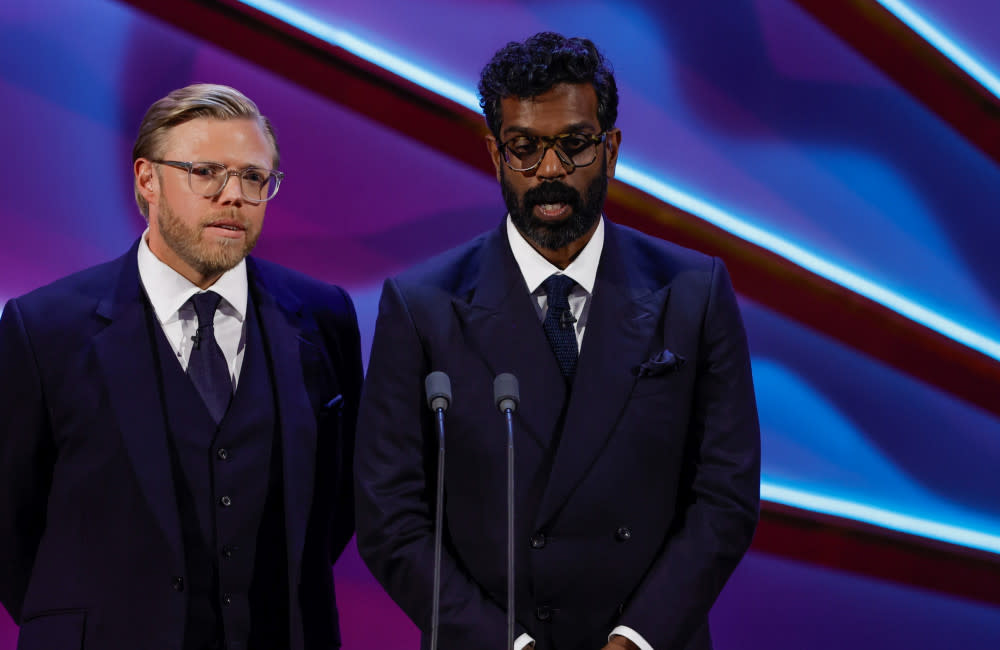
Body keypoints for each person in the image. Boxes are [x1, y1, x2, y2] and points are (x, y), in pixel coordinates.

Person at [355, 33, 760, 650]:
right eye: (524, 149)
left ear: (611, 149)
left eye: (573, 146)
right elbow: (390, 519)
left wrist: (636, 637)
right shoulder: (421, 306)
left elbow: (725, 496)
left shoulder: (694, 292)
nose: (549, 171)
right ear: (495, 154)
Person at [0, 84, 362, 650]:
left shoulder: (323, 317)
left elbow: (338, 503)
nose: (233, 196)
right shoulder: (44, 328)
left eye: (253, 177)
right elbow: (10, 524)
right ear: (147, 180)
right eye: (206, 172)